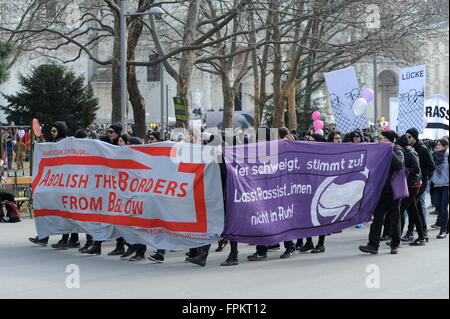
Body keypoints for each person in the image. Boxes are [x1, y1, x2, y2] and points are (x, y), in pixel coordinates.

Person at [359, 131, 404, 255]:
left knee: (395, 219)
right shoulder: (379, 151)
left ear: (388, 140)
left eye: (382, 138)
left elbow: (399, 165)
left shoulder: (396, 150)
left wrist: (389, 151)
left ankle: (395, 244)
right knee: (377, 218)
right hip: (380, 191)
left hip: (393, 191)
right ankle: (373, 245)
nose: (380, 140)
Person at [402, 128, 435, 242]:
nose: (407, 139)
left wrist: (421, 175)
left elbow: (431, 166)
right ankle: (421, 233)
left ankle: (415, 232)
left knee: (413, 206)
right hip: (412, 182)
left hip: (421, 182)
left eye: (409, 137)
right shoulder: (409, 149)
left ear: (415, 137)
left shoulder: (423, 149)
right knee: (415, 207)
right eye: (406, 136)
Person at [395, 135, 426, 247]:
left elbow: (416, 169)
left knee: (400, 211)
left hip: (413, 186)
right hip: (411, 185)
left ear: (401, 145)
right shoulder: (407, 151)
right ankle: (422, 237)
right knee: (413, 212)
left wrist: (404, 170)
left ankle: (396, 240)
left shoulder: (410, 153)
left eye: (397, 145)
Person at [431, 138, 448, 239]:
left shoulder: (448, 155)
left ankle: (443, 229)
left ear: (445, 146)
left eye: (439, 145)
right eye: (436, 144)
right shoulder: (433, 156)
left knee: (443, 207)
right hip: (436, 185)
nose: (437, 146)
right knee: (438, 208)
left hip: (447, 185)